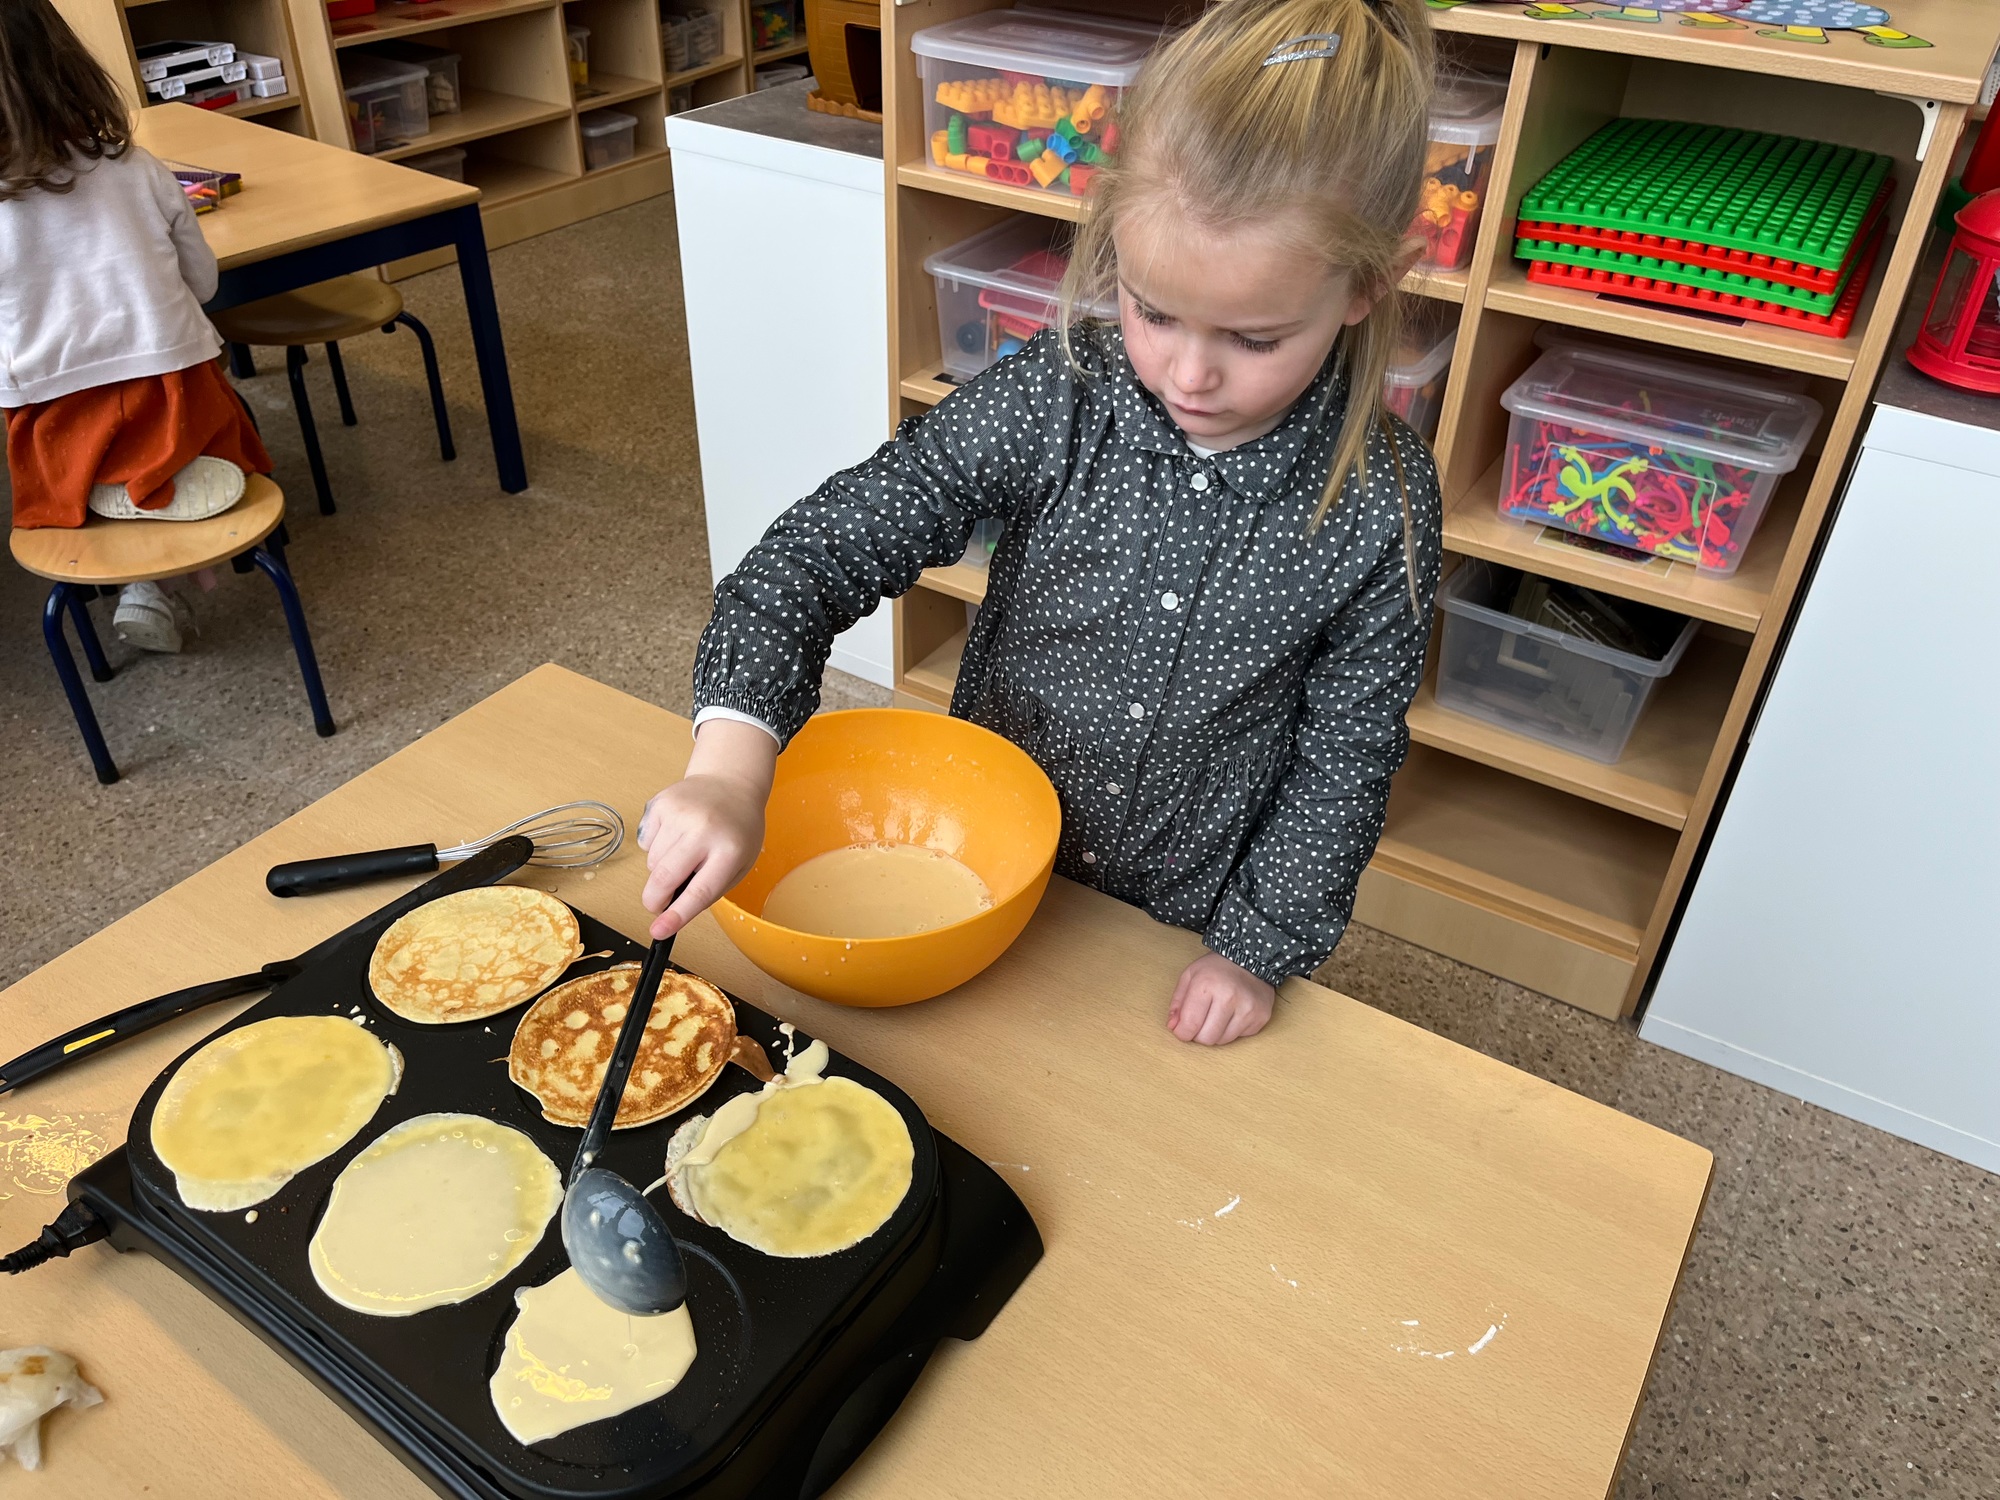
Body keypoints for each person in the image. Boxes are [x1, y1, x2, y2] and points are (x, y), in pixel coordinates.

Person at [641, 0, 1443, 1046]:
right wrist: (729, 770)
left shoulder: (1385, 503)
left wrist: (1256, 947)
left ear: (1368, 285)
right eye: (1153, 312)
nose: (1188, 375)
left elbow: (1347, 755)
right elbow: (818, 552)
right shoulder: (1055, 394)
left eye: (1253, 339)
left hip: (1175, 912)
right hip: (979, 860)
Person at [0, 0, 271, 654]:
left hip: (54, 426)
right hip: (175, 404)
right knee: (200, 399)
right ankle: (158, 537)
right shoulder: (139, 170)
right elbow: (203, 286)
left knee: (56, 431)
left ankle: (102, 504)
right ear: (68, 68)